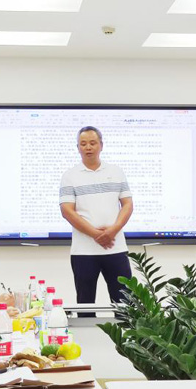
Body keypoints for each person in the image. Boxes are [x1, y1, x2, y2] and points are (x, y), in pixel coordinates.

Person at [59, 126, 134, 308]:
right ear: (78, 147)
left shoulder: (116, 172)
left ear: (101, 145)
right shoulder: (70, 176)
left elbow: (127, 204)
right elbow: (67, 211)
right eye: (83, 144)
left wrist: (112, 231)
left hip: (115, 248)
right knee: (85, 305)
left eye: (93, 143)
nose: (88, 147)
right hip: (83, 251)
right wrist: (96, 234)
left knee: (125, 305)